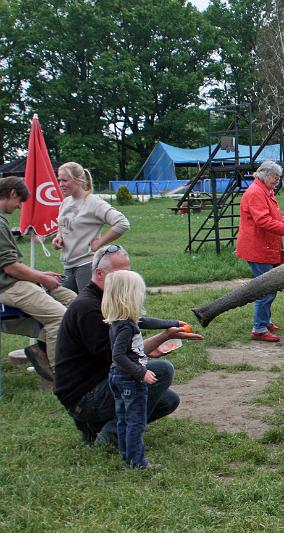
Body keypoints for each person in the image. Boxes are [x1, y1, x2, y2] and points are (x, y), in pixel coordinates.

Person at [53, 244, 203, 445]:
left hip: (99, 385)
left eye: (129, 272)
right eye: (121, 274)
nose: (127, 278)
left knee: (167, 401)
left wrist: (171, 326)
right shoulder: (88, 308)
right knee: (162, 371)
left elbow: (135, 326)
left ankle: (97, 428)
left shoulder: (108, 301)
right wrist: (162, 337)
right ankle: (113, 435)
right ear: (100, 273)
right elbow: (117, 357)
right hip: (84, 398)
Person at [102, 270, 184, 469]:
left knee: (123, 419)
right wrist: (142, 373)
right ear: (129, 297)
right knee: (135, 421)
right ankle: (137, 463)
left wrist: (173, 324)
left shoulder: (122, 321)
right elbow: (118, 356)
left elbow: (147, 321)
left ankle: (128, 455)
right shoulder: (125, 328)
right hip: (130, 379)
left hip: (118, 378)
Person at [0, 176, 76, 379]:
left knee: (71, 301)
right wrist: (41, 279)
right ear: (13, 193)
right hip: (8, 287)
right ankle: (62, 377)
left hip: (12, 282)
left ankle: (40, 353)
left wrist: (40, 275)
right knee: (60, 318)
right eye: (19, 202)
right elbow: (10, 268)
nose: (18, 208)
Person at [236, 160, 284, 342]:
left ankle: (265, 321)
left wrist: (282, 219)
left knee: (271, 285)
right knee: (265, 288)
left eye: (278, 178)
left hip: (265, 246)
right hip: (258, 248)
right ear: (265, 174)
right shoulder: (256, 192)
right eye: (275, 177)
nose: (277, 181)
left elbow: (266, 216)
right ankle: (259, 328)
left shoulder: (264, 191)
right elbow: (262, 221)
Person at [53, 161, 130, 293]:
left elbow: (122, 223)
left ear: (78, 180)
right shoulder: (65, 203)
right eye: (59, 180)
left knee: (89, 307)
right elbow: (65, 227)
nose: (60, 184)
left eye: (65, 180)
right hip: (68, 265)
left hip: (86, 264)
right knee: (68, 307)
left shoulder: (94, 202)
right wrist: (58, 238)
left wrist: (99, 243)